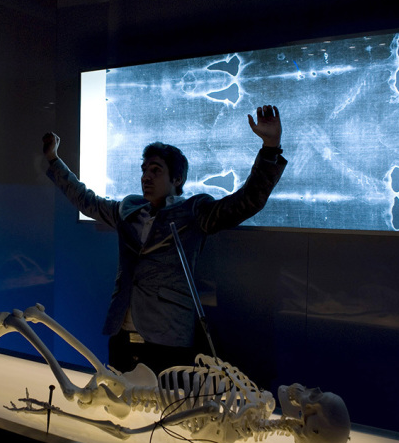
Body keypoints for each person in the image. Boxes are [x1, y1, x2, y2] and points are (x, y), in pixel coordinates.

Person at [43, 105, 287, 373]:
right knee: (118, 406)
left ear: (177, 178)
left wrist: (270, 147)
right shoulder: (128, 209)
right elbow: (85, 199)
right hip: (122, 334)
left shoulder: (194, 211)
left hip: (169, 337)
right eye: (144, 169)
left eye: (156, 170)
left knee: (167, 409)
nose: (146, 176)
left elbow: (246, 202)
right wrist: (55, 161)